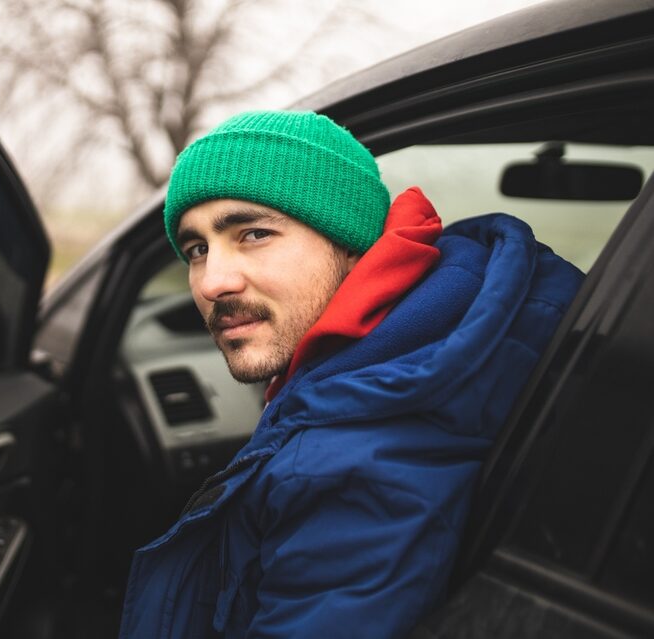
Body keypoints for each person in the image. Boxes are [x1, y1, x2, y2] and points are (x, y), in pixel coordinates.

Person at [118, 110, 583, 638]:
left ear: (351, 243)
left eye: (253, 233)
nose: (211, 282)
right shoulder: (444, 330)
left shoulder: (342, 465)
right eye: (197, 249)